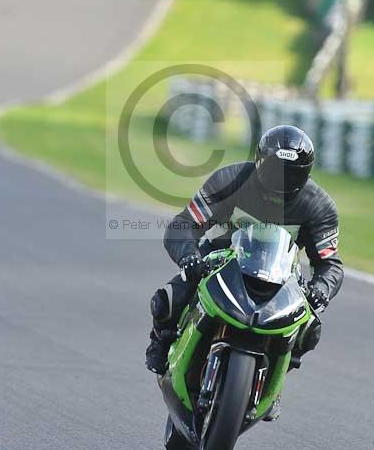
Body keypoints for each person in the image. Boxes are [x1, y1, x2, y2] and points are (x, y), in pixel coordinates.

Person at [145, 125, 344, 411]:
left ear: (306, 173)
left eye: (292, 173)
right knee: (169, 297)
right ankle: (161, 342)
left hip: (281, 275)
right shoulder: (230, 180)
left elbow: (329, 263)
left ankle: (274, 380)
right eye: (275, 170)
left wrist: (321, 289)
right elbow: (184, 224)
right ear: (259, 162)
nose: (282, 181)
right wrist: (188, 255)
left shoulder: (319, 206)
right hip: (224, 258)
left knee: (309, 327)